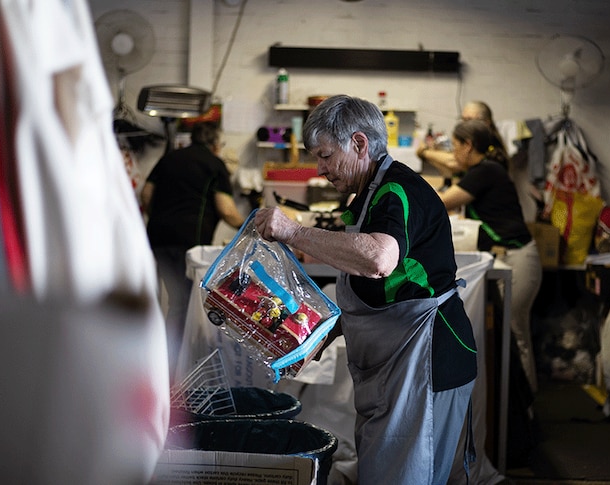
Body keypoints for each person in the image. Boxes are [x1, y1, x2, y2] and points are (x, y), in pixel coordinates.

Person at [253, 95, 477, 485]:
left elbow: (378, 260)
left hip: (426, 361)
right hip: (399, 366)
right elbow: (380, 288)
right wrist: (319, 334)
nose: (319, 169)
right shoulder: (370, 195)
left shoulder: (397, 192)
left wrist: (292, 231)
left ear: (359, 143)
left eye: (325, 156)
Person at [438, 119, 543, 393]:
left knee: (515, 331)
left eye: (455, 146)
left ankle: (523, 411)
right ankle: (513, 407)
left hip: (518, 258)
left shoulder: (485, 171)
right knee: (509, 332)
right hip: (507, 257)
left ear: (468, 146)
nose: (454, 154)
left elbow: (441, 203)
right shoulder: (484, 171)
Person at [141, 121, 245, 382]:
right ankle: (170, 374)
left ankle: (157, 364)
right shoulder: (214, 164)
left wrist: (160, 217)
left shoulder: (169, 158)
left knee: (159, 301)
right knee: (181, 305)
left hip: (156, 238)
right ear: (215, 144)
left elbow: (146, 194)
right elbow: (226, 210)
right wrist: (252, 226)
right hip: (188, 242)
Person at [416, 100, 507, 187]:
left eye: (469, 120)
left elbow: (455, 162)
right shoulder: (477, 142)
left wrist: (424, 152)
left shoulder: (492, 151)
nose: (464, 124)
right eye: (463, 119)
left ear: (486, 123)